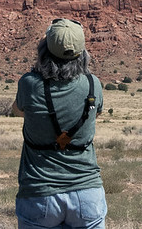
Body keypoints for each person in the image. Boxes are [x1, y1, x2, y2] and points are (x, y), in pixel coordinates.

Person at [12, 18, 107, 229]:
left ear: (44, 50)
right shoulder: (93, 85)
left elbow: (17, 110)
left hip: (39, 191)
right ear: (82, 52)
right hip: (87, 191)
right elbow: (95, 115)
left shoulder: (29, 84)